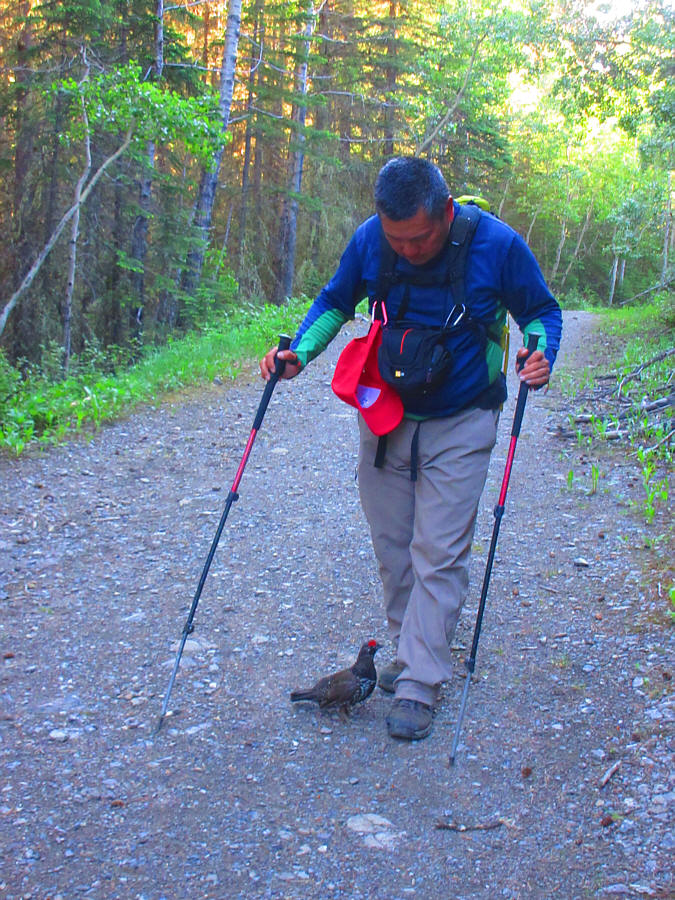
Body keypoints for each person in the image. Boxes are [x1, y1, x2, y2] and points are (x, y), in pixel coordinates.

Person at [261, 157, 562, 741]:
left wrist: (541, 355)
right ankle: (407, 646)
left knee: (439, 549)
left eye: (419, 238)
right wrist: (299, 352)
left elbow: (540, 312)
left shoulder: (496, 244)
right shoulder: (372, 239)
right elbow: (335, 301)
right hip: (385, 413)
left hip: (464, 414)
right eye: (397, 239)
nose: (408, 249)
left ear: (446, 212)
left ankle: (421, 681)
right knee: (393, 545)